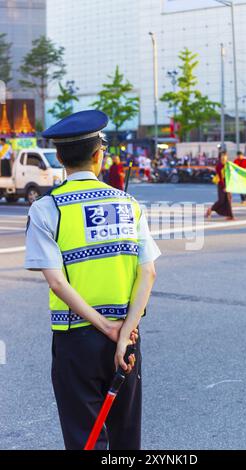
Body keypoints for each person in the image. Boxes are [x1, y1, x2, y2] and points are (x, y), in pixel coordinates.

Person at [24, 110, 161, 450]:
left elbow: (57, 283)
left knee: (85, 437)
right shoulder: (129, 204)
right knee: (125, 437)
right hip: (127, 339)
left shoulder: (46, 209)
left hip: (76, 340)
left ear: (59, 157)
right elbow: (148, 271)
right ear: (99, 155)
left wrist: (105, 326)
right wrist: (123, 331)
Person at [206, 151, 235, 221]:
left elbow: (232, 174)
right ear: (220, 158)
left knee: (229, 200)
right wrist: (224, 186)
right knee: (221, 200)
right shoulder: (218, 166)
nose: (224, 157)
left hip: (228, 183)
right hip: (221, 183)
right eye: (222, 156)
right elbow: (220, 177)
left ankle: (230, 216)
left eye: (225, 156)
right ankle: (210, 209)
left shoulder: (228, 164)